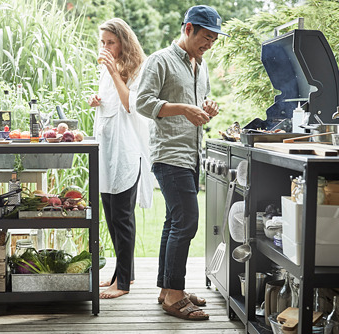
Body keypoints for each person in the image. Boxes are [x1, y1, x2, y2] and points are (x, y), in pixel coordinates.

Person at [136, 5, 228, 320]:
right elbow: (143, 102)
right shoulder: (159, 60)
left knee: (174, 222)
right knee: (187, 221)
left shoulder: (199, 67)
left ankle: (167, 289)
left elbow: (195, 106)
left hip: (191, 154)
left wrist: (205, 108)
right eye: (205, 37)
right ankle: (175, 295)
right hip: (169, 153)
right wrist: (185, 109)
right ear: (188, 29)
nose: (209, 44)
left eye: (214, 40)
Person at [88, 18, 153, 299]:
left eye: (110, 42)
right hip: (107, 154)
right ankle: (124, 274)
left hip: (127, 154)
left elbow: (130, 104)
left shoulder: (138, 70)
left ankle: (123, 284)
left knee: (122, 218)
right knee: (113, 217)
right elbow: (112, 102)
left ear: (123, 42)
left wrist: (114, 72)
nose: (105, 47)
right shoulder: (106, 71)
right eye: (102, 43)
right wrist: (98, 100)